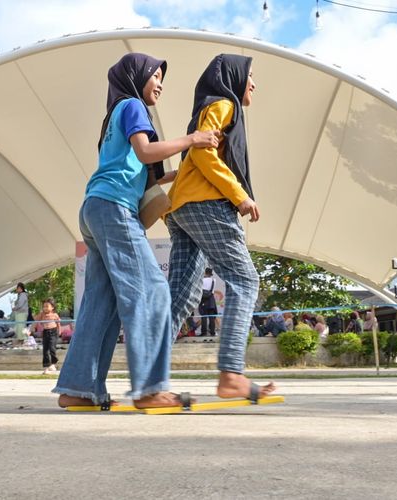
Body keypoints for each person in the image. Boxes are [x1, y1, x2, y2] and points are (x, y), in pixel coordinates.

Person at [52, 52, 219, 410]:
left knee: (101, 302)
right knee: (153, 290)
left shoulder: (112, 117)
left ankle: (77, 389)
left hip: (95, 208)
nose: (160, 83)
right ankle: (149, 388)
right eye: (155, 75)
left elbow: (151, 175)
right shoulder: (132, 105)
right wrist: (192, 139)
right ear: (137, 76)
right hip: (114, 209)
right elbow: (146, 153)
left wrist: (190, 168)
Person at [166, 53, 275, 401]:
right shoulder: (224, 104)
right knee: (245, 280)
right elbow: (202, 153)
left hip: (183, 207)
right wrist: (239, 195)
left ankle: (149, 380)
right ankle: (231, 374)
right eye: (250, 76)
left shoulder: (211, 107)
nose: (254, 84)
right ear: (233, 77)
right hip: (206, 204)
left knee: (179, 298)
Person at [37, 298, 61, 374]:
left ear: (52, 307)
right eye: (44, 306)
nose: (45, 308)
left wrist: (59, 331)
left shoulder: (55, 315)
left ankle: (53, 364)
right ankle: (47, 367)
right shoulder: (42, 315)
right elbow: (35, 320)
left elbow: (58, 324)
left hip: (53, 332)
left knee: (52, 348)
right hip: (45, 332)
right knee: (45, 350)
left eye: (47, 306)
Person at [198, 268, 218, 336]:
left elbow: (200, 290)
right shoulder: (214, 280)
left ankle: (204, 332)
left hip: (203, 299)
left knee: (204, 316)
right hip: (211, 299)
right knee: (211, 316)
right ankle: (212, 332)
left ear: (205, 272)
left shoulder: (202, 280)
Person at [11, 283, 29, 347]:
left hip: (21, 313)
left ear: (21, 289)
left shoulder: (22, 295)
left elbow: (20, 304)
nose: (17, 290)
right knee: (20, 327)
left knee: (20, 327)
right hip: (21, 313)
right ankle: (21, 340)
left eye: (18, 288)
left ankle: (22, 340)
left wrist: (14, 308)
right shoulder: (22, 295)